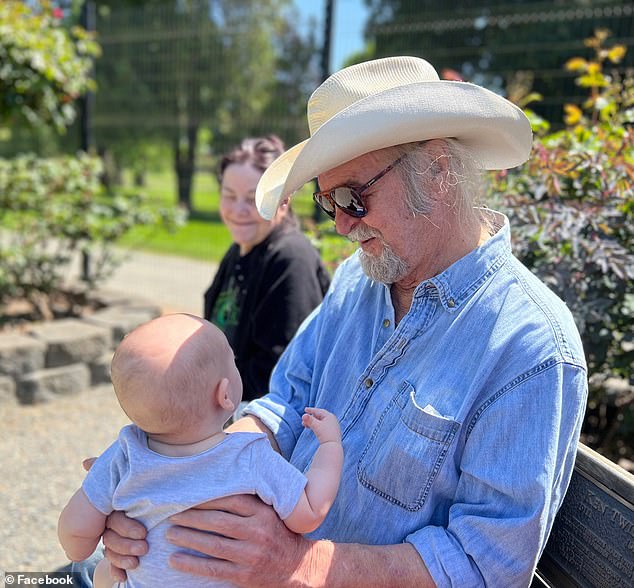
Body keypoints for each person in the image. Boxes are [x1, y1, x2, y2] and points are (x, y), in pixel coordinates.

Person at [91, 56, 588, 587]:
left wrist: (299, 565)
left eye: (354, 196)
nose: (343, 226)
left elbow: (484, 564)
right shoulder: (361, 277)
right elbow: (287, 399)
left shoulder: (529, 345)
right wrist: (181, 481)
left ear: (439, 172)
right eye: (328, 203)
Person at [59, 314, 343, 587]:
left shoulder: (124, 454)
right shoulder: (250, 456)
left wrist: (84, 545)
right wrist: (330, 447)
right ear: (225, 395)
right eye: (232, 361)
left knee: (101, 572)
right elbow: (309, 512)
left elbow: (75, 531)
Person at [204, 135, 330, 406]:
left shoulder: (291, 260)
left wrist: (207, 404)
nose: (238, 210)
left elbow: (278, 373)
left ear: (283, 200)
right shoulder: (239, 250)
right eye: (229, 196)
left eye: (252, 199)